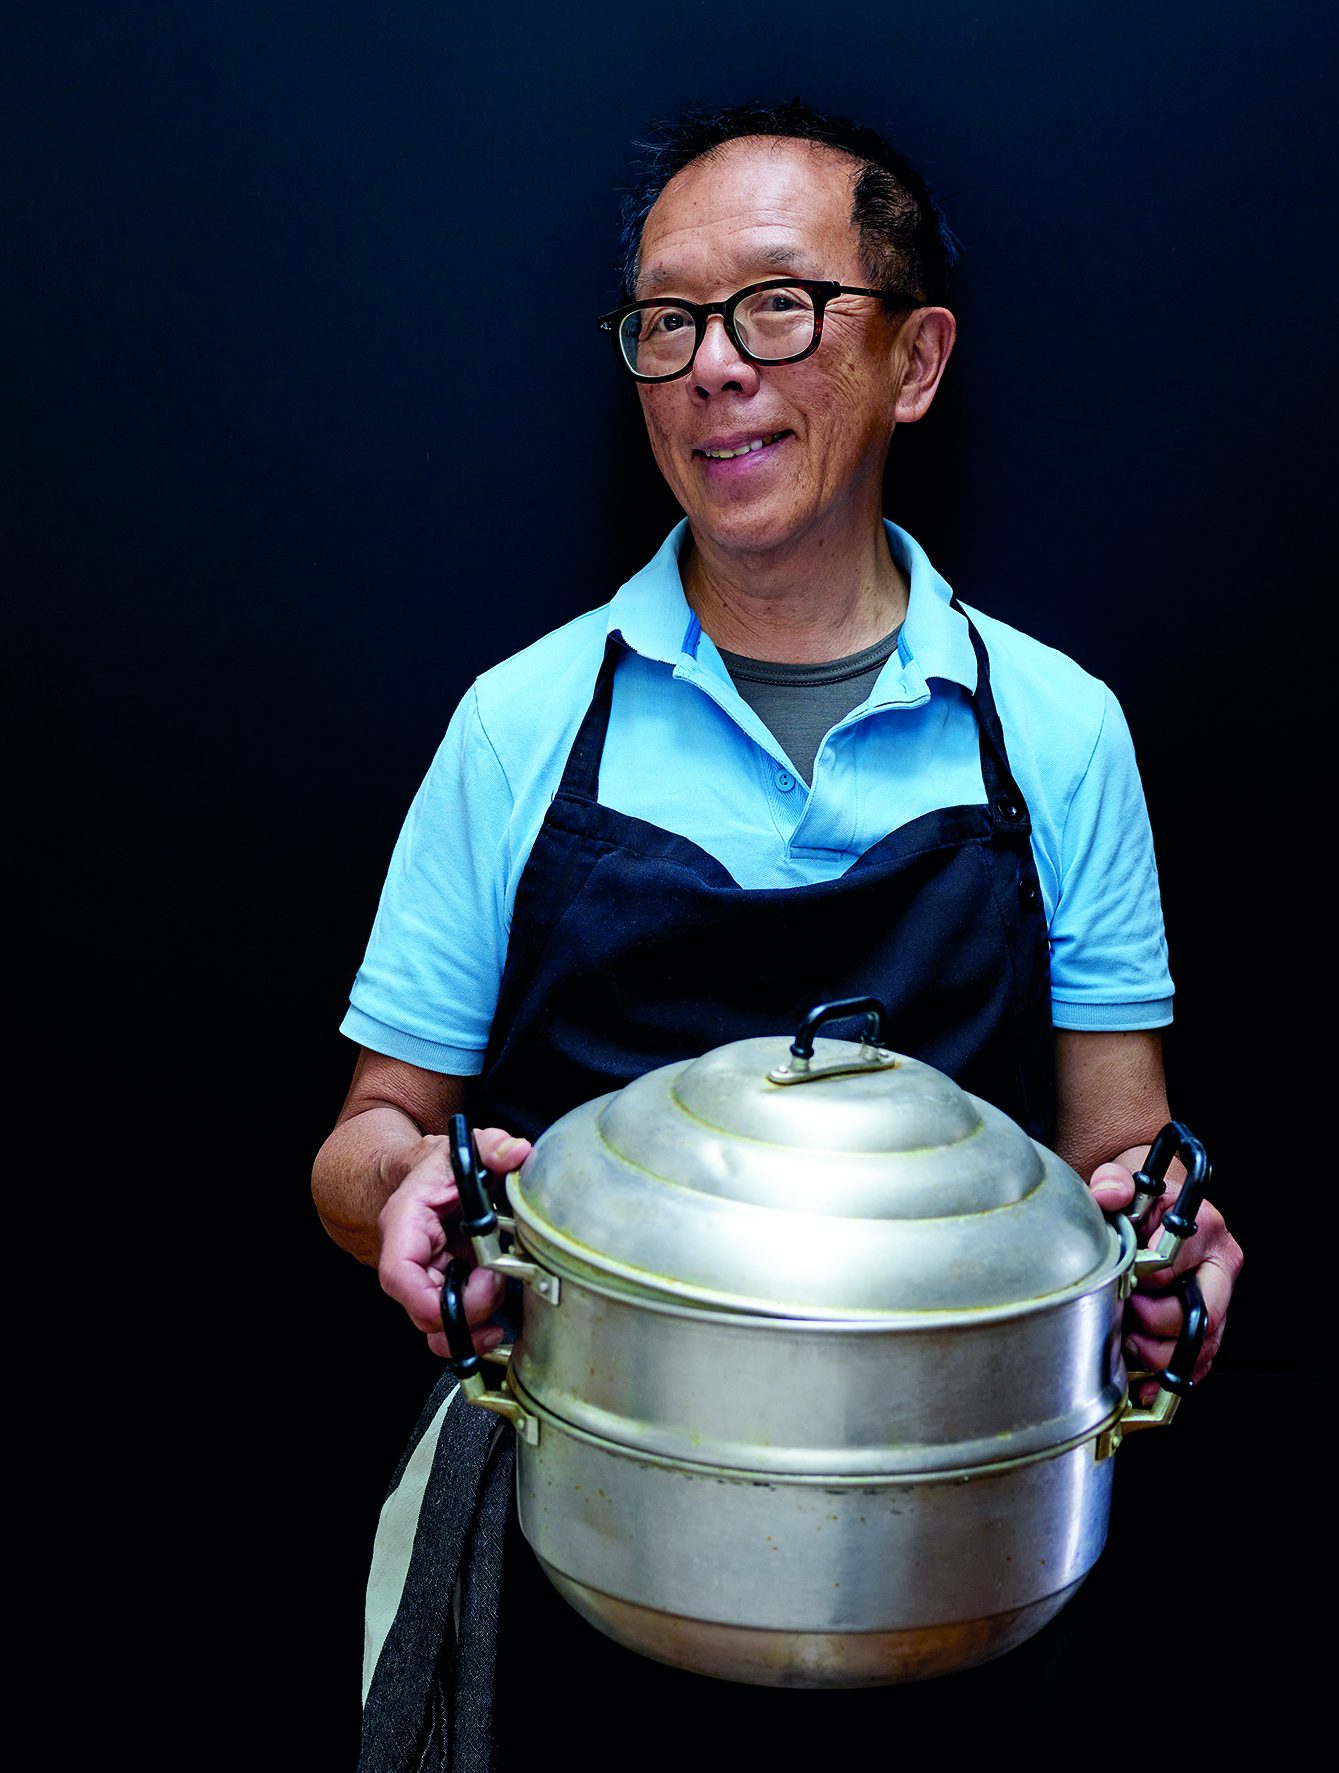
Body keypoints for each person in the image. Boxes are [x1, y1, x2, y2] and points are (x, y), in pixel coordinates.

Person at [314, 98, 1242, 1748]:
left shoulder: (1052, 729)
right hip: (583, 1544)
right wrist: (406, 1200)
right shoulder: (526, 721)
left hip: (948, 1571)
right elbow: (373, 1132)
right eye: (665, 322)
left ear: (916, 359)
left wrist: (1162, 1252)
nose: (711, 369)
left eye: (776, 306)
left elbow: (1122, 1160)